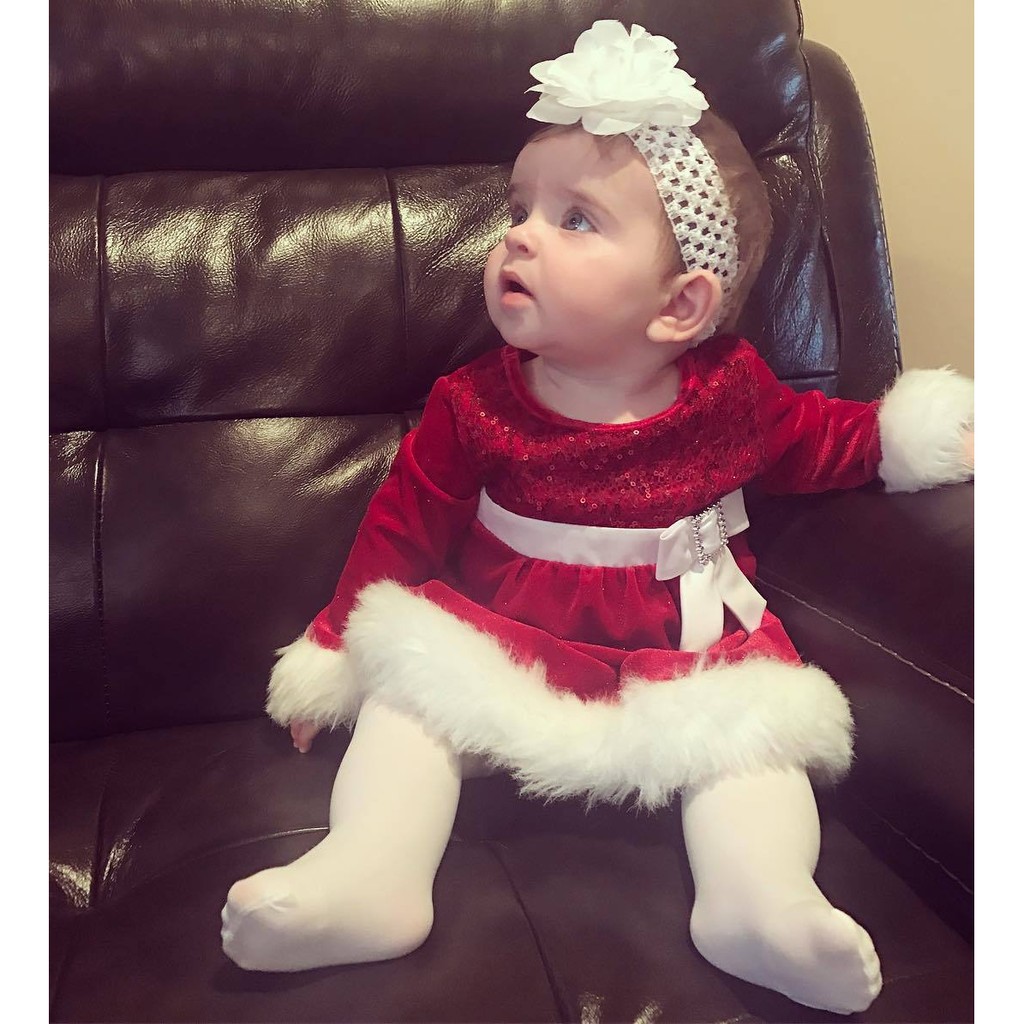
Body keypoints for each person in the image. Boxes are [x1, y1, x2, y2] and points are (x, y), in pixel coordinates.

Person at [219, 20, 973, 1015]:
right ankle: (368, 876)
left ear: (681, 305)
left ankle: (759, 903)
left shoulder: (731, 393)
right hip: (504, 642)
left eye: (576, 219)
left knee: (753, 746)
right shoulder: (474, 402)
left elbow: (816, 441)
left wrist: (902, 439)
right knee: (408, 702)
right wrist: (332, 645)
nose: (518, 235)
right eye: (519, 207)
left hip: (688, 649)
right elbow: (401, 531)